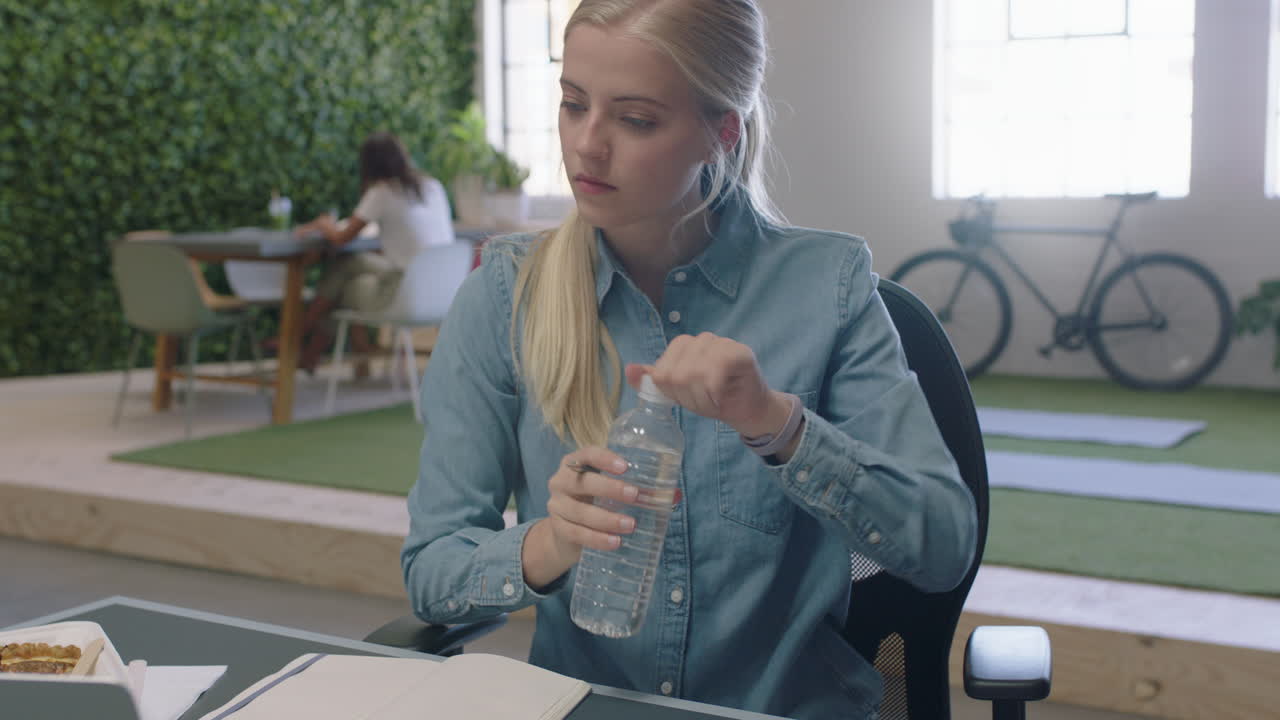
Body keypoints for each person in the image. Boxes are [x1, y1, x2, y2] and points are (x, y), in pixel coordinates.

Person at [401, 1, 977, 717]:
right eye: (573, 104)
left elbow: (942, 542)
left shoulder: (827, 287)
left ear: (721, 130)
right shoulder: (503, 296)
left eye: (635, 119)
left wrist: (780, 428)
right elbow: (431, 568)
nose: (586, 145)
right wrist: (550, 543)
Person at [288, 131, 455, 371]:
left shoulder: (382, 192)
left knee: (345, 279)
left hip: (406, 294)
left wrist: (322, 224)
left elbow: (340, 239)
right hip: (443, 294)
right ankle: (315, 353)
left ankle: (298, 339)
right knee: (351, 265)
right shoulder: (433, 186)